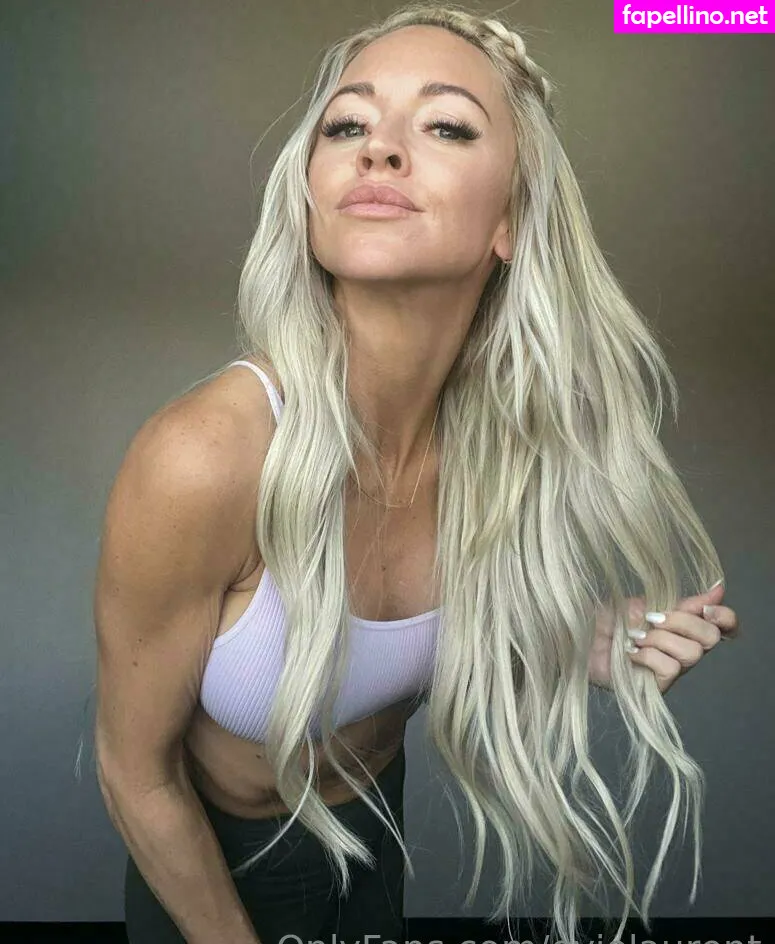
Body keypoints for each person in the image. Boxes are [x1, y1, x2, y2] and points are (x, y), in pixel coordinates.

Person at [84, 4, 741, 944]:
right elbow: (134, 774)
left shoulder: (503, 443)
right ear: (308, 194)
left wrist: (572, 648)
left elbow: (411, 647)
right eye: (346, 123)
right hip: (211, 875)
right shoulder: (205, 457)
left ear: (509, 219)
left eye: (445, 126)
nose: (378, 148)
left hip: (373, 842)